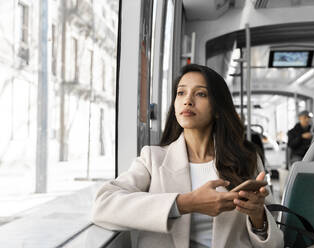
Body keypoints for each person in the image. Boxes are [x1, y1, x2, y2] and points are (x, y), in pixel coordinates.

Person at [92, 64, 284, 248]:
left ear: (218, 109)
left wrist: (258, 217)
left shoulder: (247, 160)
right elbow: (103, 205)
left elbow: (275, 244)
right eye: (181, 92)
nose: (187, 100)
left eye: (200, 94)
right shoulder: (153, 159)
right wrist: (186, 203)